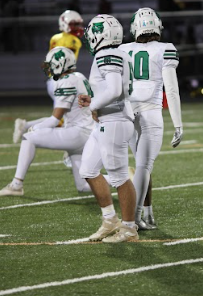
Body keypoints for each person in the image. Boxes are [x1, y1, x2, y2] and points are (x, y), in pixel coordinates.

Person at [0, 47, 95, 197]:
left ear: (61, 64)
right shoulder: (79, 76)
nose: (49, 68)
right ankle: (124, 178)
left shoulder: (67, 81)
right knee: (83, 186)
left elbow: (54, 119)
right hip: (86, 132)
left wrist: (32, 128)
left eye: (52, 64)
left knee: (29, 138)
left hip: (77, 133)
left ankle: (16, 185)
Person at [119, 7, 183, 230]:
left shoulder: (123, 49)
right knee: (144, 167)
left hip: (126, 112)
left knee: (140, 166)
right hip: (150, 112)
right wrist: (178, 124)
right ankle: (133, 220)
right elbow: (172, 90)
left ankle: (146, 214)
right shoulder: (166, 49)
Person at [78, 14, 138, 243]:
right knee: (88, 170)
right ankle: (110, 219)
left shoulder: (107, 53)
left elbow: (113, 90)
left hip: (114, 121)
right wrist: (93, 100)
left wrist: (93, 104)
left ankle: (130, 229)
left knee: (120, 177)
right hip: (108, 120)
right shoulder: (119, 52)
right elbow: (111, 89)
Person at [13, 10, 84, 144]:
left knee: (61, 118)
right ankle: (31, 133)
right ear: (65, 24)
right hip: (62, 80)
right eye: (74, 24)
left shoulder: (55, 38)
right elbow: (66, 61)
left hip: (52, 79)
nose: (77, 28)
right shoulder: (73, 40)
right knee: (62, 119)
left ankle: (26, 126)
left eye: (78, 24)